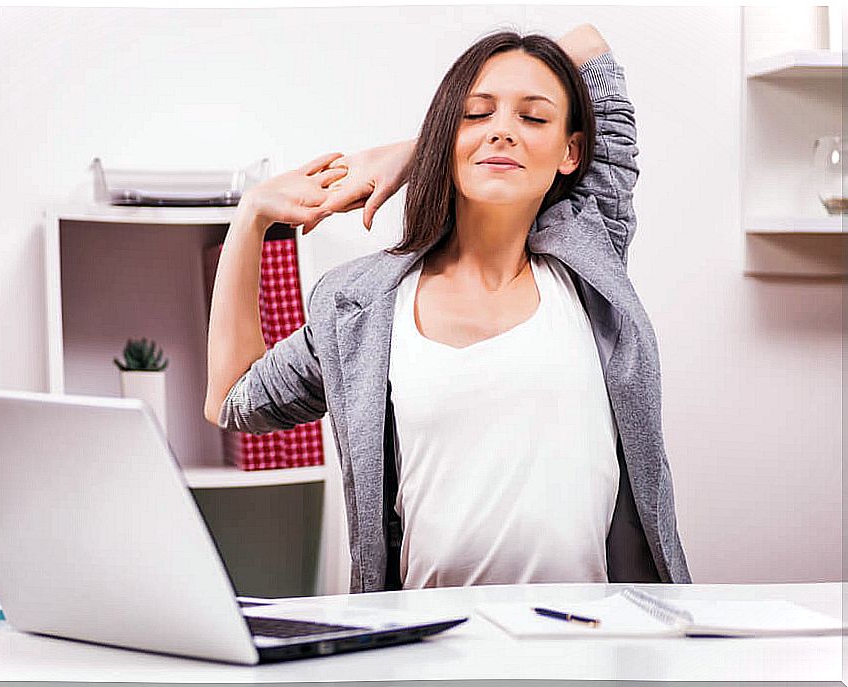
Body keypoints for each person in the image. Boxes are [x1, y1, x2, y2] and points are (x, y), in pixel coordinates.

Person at [205, 23, 691, 592]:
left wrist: (413, 152)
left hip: (589, 647)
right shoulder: (361, 310)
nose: (503, 132)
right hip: (428, 650)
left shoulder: (591, 250)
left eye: (533, 118)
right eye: (476, 114)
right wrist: (253, 215)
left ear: (570, 151)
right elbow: (230, 400)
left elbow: (588, 43)